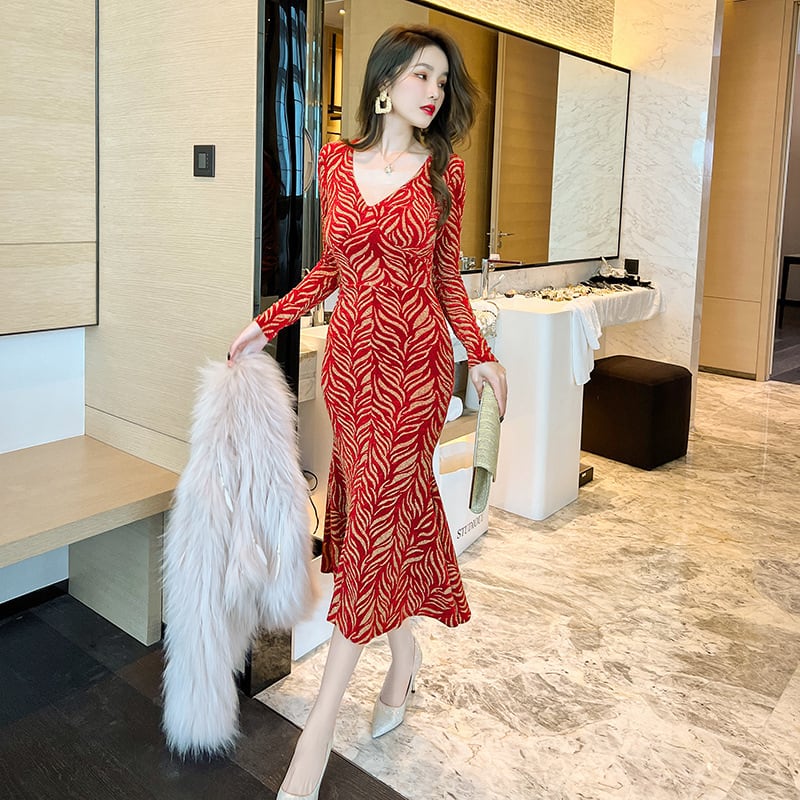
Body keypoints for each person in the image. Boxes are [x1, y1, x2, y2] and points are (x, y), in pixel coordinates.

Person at [228, 24, 508, 800]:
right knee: (376, 527)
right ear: (385, 82)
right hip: (352, 369)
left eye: (442, 81)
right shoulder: (334, 163)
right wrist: (265, 324)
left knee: (378, 522)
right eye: (421, 75)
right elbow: (329, 269)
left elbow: (447, 283)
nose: (433, 91)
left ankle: (315, 737)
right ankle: (404, 656)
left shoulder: (443, 174)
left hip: (415, 373)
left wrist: (480, 354)